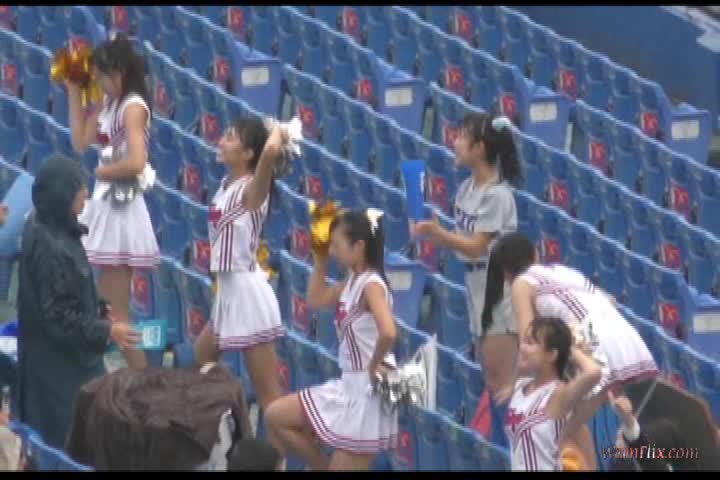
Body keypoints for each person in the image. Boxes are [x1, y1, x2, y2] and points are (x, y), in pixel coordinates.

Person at [488, 232, 658, 451]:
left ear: (504, 272)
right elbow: (611, 300)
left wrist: (513, 383)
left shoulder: (522, 283)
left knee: (563, 421)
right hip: (624, 335)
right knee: (613, 411)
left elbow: (528, 338)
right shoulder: (564, 270)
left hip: (590, 339)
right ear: (535, 253)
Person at [16, 154, 140, 450]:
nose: (86, 192)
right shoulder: (50, 248)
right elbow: (59, 318)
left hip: (59, 360)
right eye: (78, 187)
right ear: (62, 194)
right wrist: (107, 331)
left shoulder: (49, 224)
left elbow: (70, 286)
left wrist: (97, 305)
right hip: (61, 371)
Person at [265, 209, 398, 471]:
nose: (333, 250)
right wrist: (321, 259)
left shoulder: (372, 285)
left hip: (367, 395)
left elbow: (389, 331)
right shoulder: (352, 281)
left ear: (358, 247)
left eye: (337, 245)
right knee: (275, 416)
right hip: (348, 385)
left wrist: (374, 365)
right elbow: (315, 300)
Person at [192, 118, 290, 450]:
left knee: (270, 399)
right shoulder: (226, 184)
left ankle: (277, 464)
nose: (221, 140)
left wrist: (281, 130)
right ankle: (240, 441)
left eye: (231, 138)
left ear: (248, 153)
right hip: (228, 294)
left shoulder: (253, 187)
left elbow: (271, 150)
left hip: (248, 296)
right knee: (201, 360)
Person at [411, 112, 522, 395]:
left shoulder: (497, 195)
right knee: (491, 380)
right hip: (475, 287)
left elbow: (476, 247)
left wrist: (439, 234)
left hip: (498, 292)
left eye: (462, 137)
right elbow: (461, 240)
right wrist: (429, 230)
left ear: (480, 148)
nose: (455, 142)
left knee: (501, 383)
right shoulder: (466, 188)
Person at [67, 34, 159, 370]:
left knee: (116, 311)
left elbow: (137, 161)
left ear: (118, 73)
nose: (101, 83)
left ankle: (145, 379)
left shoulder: (133, 107)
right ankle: (139, 378)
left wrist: (104, 171)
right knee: (109, 310)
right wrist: (73, 91)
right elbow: (80, 140)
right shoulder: (109, 104)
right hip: (107, 203)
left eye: (103, 76)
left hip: (122, 209)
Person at [503, 317, 602, 471]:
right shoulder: (520, 386)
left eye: (530, 343)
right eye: (524, 341)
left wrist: (570, 348)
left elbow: (593, 372)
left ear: (551, 355)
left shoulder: (557, 394)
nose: (522, 347)